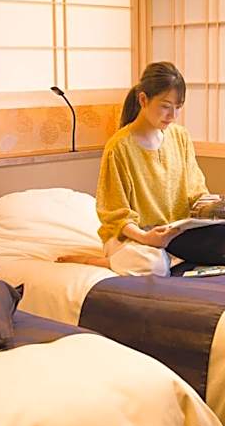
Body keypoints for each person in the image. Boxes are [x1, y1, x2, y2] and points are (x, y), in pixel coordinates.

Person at [58, 62, 208, 276]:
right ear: (143, 100)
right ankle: (103, 261)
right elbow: (115, 214)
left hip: (174, 234)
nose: (173, 115)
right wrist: (146, 238)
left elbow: (196, 190)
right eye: (166, 106)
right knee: (153, 264)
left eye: (178, 107)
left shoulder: (180, 137)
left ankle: (170, 257)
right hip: (132, 237)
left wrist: (213, 207)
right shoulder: (119, 147)